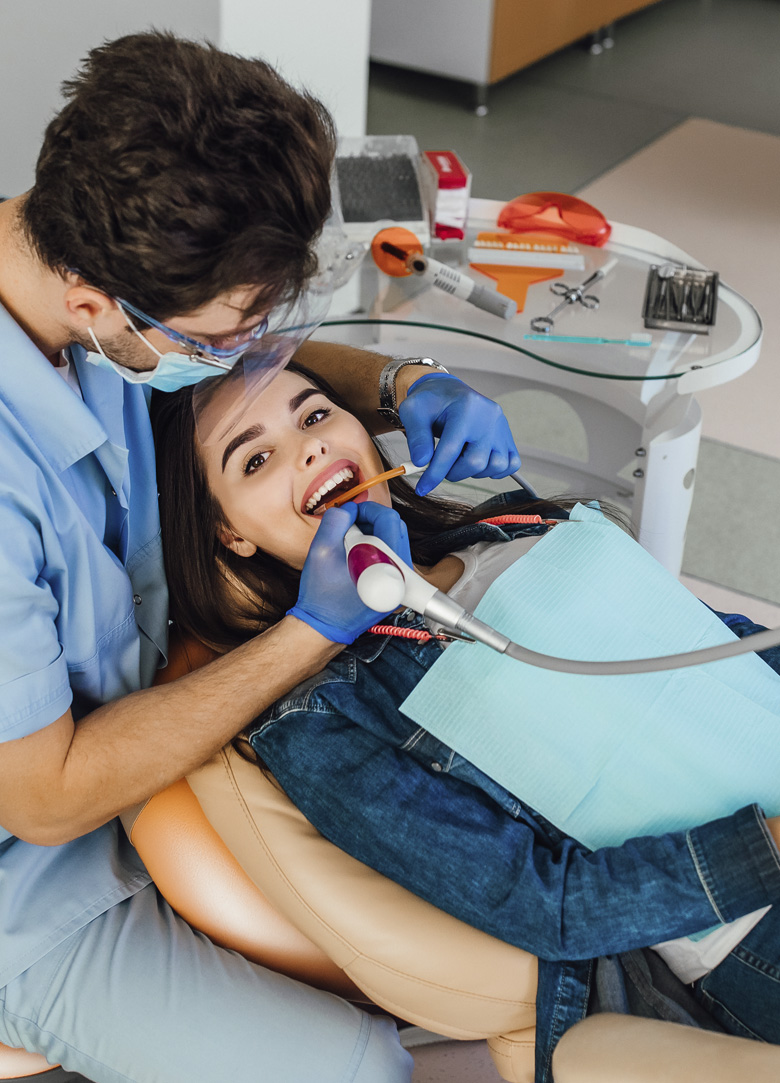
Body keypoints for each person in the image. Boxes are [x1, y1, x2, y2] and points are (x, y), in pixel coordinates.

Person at [0, 31, 525, 1083]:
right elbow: (46, 797)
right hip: (37, 878)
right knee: (360, 1066)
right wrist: (312, 629)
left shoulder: (100, 274)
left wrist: (397, 385)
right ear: (99, 310)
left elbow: (238, 365)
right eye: (229, 333)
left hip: (170, 753)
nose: (260, 356)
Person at [152, 361, 780, 1083]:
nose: (310, 449)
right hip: (750, 923)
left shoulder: (513, 523)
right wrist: (767, 847)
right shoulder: (325, 721)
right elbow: (549, 904)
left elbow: (714, 641)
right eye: (256, 458)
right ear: (229, 534)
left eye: (316, 414)